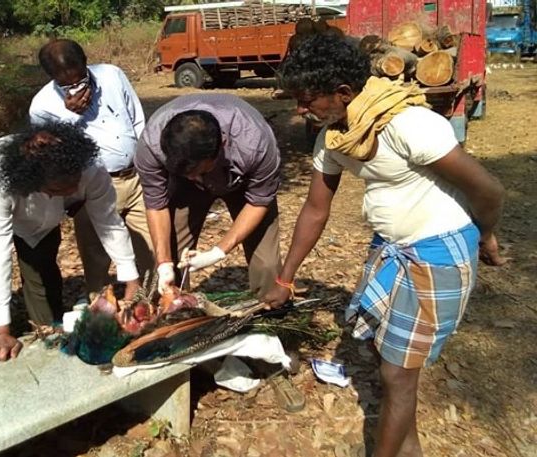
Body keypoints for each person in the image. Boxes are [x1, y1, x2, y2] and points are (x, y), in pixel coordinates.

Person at [264, 35, 506, 457]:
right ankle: (408, 448)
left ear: (343, 93)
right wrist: (285, 277)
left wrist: (484, 234)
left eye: (307, 99)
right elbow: (315, 210)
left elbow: (488, 189)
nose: (301, 110)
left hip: (437, 254)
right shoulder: (336, 137)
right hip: (392, 248)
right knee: (391, 363)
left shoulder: (407, 124)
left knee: (397, 376)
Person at [0, 122, 141, 363]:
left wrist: (131, 281)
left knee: (43, 276)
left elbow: (108, 222)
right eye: (61, 189)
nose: (74, 191)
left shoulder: (90, 169)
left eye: (75, 184)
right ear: (35, 182)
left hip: (42, 222)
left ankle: (48, 343)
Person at [29, 39, 154, 304]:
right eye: (65, 84)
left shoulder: (111, 75)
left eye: (79, 78)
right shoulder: (42, 107)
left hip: (134, 177)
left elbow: (137, 119)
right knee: (97, 256)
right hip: (91, 187)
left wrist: (146, 163)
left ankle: (152, 304)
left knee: (149, 247)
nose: (75, 87)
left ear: (86, 62)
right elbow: (54, 158)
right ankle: (102, 310)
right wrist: (72, 116)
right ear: (51, 77)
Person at [134, 94, 283, 297]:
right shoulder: (150, 145)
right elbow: (156, 204)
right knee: (173, 252)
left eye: (199, 171)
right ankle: (174, 310)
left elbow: (258, 201)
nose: (194, 177)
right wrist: (164, 263)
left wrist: (217, 252)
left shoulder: (255, 143)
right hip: (184, 186)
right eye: (188, 172)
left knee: (267, 263)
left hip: (242, 182)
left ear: (221, 145)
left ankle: (270, 310)